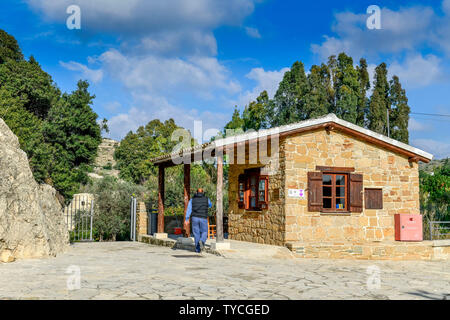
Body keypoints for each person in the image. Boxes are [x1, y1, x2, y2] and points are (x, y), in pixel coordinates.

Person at [184, 188, 212, 253]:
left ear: (196, 192)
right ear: (203, 192)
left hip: (194, 218)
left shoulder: (192, 200)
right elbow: (210, 205)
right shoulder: (206, 199)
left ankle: (197, 249)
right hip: (203, 218)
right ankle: (202, 241)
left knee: (196, 233)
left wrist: (187, 219)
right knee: (204, 231)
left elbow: (189, 209)